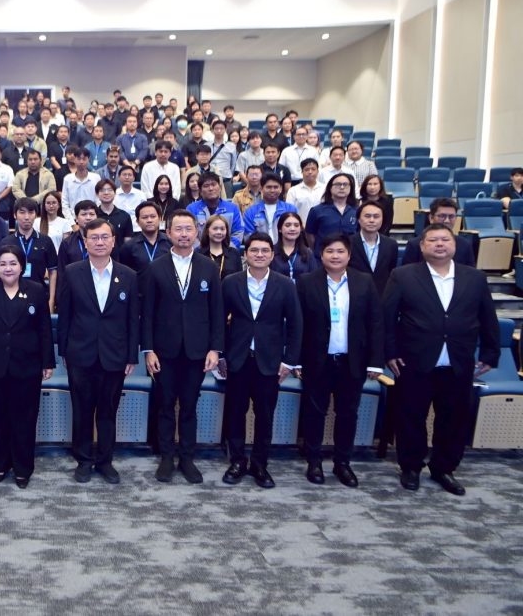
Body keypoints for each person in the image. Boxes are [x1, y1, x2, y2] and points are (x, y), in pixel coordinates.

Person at [383, 223, 499, 496]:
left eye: (445, 239)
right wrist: (389, 352)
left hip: (458, 361)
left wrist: (490, 352)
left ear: (455, 245)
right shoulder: (403, 275)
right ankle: (411, 467)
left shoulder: (475, 278)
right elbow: (387, 318)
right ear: (422, 246)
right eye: (432, 240)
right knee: (411, 416)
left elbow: (487, 317)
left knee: (454, 418)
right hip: (414, 361)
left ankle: (443, 468)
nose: (439, 244)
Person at [142, 209, 225, 484]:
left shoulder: (208, 267)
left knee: (189, 406)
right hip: (164, 351)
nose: (184, 234)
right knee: (165, 405)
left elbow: (217, 311)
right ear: (168, 233)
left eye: (189, 229)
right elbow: (147, 313)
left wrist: (215, 349)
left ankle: (187, 458)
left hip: (197, 351)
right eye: (178, 229)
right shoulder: (155, 267)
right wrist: (148, 349)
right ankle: (166, 457)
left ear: (196, 232)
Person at [296, 234, 384, 488]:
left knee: (347, 414)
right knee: (314, 413)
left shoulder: (364, 282)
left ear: (349, 255)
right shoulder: (306, 282)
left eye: (340, 251)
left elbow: (375, 323)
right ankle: (314, 461)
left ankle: (342, 463)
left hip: (352, 361)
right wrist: (297, 360)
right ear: (321, 255)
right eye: (330, 251)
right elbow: (298, 324)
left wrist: (375, 361)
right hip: (317, 361)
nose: (335, 256)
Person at [57, 219, 139, 484]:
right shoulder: (72, 272)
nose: (100, 242)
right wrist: (65, 352)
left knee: (108, 411)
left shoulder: (129, 275)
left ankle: (105, 461)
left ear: (114, 241)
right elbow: (65, 314)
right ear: (85, 242)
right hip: (80, 354)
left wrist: (131, 355)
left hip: (115, 355)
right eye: (94, 238)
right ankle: (83, 460)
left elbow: (132, 319)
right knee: (81, 411)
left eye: (105, 237)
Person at [219, 233, 302, 489]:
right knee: (235, 413)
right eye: (254, 250)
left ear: (272, 255)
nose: (259, 255)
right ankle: (237, 461)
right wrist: (220, 354)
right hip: (238, 359)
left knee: (265, 416)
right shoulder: (230, 282)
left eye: (265, 250)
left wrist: (290, 361)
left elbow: (296, 324)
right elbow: (219, 321)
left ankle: (260, 464)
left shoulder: (285, 284)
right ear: (245, 254)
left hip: (270, 361)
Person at [0, 246, 55, 488]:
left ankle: (22, 468)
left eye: (13, 263)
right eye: (3, 264)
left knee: (24, 419)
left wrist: (48, 361)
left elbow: (44, 329)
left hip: (27, 365)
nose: (8, 268)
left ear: (22, 266)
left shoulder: (36, 290)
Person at [1, 198, 58, 311]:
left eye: (31, 212)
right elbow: (0, 272)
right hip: (11, 297)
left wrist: (51, 300)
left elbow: (53, 272)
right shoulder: (6, 242)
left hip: (39, 295)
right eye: (22, 212)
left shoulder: (45, 241)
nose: (26, 217)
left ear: (36, 215)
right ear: (14, 215)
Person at [402, 198, 476, 267]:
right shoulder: (414, 245)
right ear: (431, 218)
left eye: (451, 216)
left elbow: (470, 273)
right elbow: (407, 273)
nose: (447, 221)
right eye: (442, 216)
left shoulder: (465, 245)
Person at [349, 200, 399, 295]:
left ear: (382, 220)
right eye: (367, 216)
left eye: (376, 216)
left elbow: (391, 272)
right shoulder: (348, 243)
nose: (372, 220)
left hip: (382, 296)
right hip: (355, 294)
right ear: (359, 219)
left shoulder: (391, 245)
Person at [305, 173, 358, 254]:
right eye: (338, 184)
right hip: (322, 256)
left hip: (351, 256)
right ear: (330, 188)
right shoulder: (317, 210)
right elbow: (310, 235)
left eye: (345, 184)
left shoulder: (357, 211)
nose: (342, 187)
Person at [187, 173, 244, 248]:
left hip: (228, 251)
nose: (211, 188)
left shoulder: (233, 208)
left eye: (213, 184)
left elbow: (238, 233)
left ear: (220, 188)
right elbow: (190, 233)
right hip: (200, 252)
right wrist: (202, 251)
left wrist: (226, 250)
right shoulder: (191, 209)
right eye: (206, 186)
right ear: (200, 191)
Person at [119, 202, 171, 282]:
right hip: (139, 288)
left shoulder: (170, 243)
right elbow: (125, 274)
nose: (149, 220)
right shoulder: (128, 247)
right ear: (137, 221)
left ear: (160, 219)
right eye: (144, 217)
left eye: (153, 216)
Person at [242, 173, 297, 244]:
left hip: (286, 248)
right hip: (260, 249)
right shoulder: (251, 212)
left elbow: (296, 233)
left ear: (281, 189)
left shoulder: (290, 209)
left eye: (276, 187)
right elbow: (249, 237)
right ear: (261, 189)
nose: (272, 190)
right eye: (268, 187)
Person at [271, 212, 320, 280]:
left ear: (301, 229)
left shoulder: (308, 252)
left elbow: (315, 278)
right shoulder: (271, 252)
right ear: (280, 229)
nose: (292, 229)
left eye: (296, 225)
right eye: (288, 225)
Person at [198, 214, 242, 279]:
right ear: (207, 231)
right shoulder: (198, 253)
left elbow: (239, 279)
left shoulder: (234, 254)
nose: (219, 232)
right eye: (215, 229)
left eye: (222, 229)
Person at [94, 179, 133, 245]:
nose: (106, 193)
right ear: (97, 194)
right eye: (102, 190)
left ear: (115, 193)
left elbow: (128, 242)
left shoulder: (124, 216)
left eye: (110, 190)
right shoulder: (93, 215)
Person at [287, 159, 326, 223]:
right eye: (307, 169)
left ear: (318, 171)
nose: (310, 172)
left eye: (313, 169)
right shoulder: (293, 191)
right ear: (302, 172)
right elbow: (289, 212)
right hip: (300, 226)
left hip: (322, 225)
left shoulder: (325, 189)